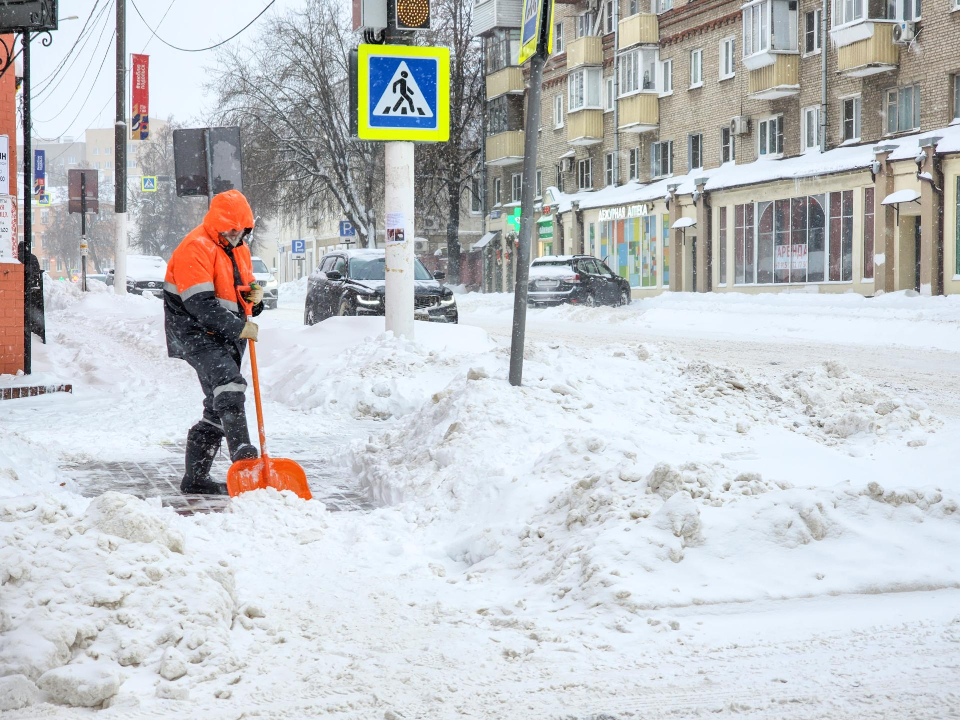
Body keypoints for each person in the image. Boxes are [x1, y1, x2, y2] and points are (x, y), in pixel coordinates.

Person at [163, 189, 265, 495]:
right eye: (231, 228)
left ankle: (195, 479)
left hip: (225, 335)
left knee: (216, 407)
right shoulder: (195, 247)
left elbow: (244, 294)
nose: (236, 234)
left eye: (241, 229)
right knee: (229, 385)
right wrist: (240, 328)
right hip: (194, 333)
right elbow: (200, 306)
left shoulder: (240, 249)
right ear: (218, 224)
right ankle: (244, 458)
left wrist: (255, 298)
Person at [17, 241, 46, 344]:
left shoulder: (17, 258)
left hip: (20, 288)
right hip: (33, 288)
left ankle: (26, 327)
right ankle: (35, 330)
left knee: (23, 311)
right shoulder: (32, 257)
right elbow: (36, 271)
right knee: (32, 311)